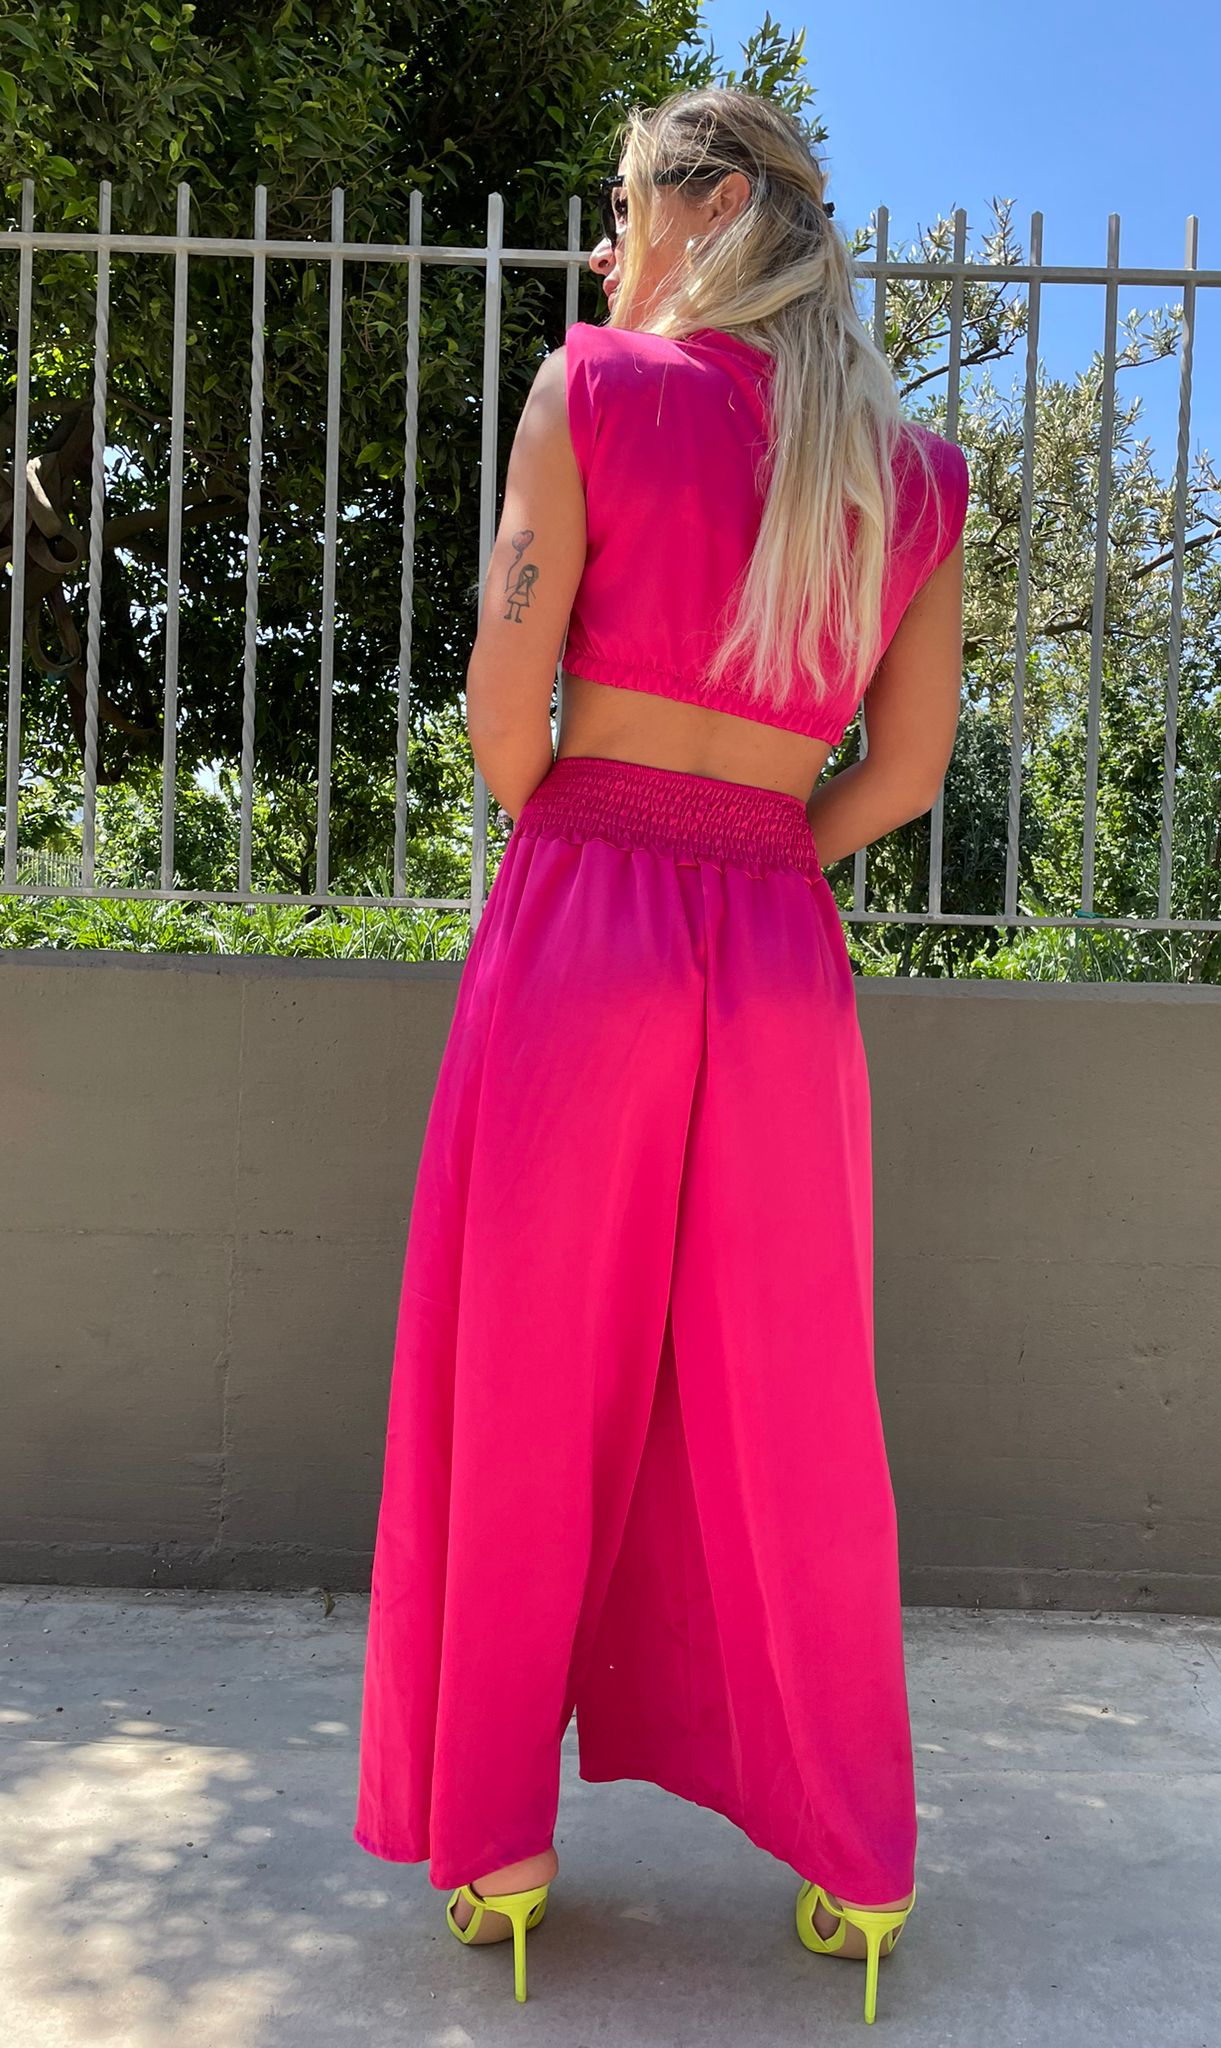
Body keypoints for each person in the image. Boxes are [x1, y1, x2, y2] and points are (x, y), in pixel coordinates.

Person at [352, 84, 969, 2026]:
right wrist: (763, 850)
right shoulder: (912, 478)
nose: (606, 242)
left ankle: (501, 1853)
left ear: (706, 205)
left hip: (584, 921)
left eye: (622, 203)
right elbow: (910, 772)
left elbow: (503, 713)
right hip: (778, 954)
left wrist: (601, 831)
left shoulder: (592, 390)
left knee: (528, 1371)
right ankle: (861, 1867)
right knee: (797, 1397)